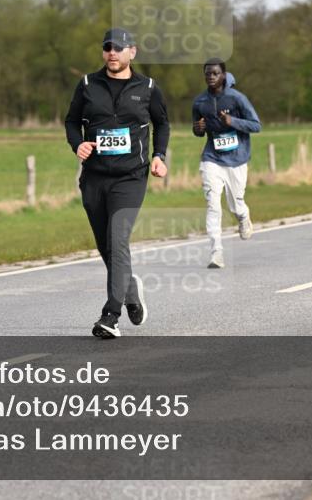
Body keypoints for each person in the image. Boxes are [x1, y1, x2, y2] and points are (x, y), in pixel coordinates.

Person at [65, 28, 170, 339]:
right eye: (108, 47)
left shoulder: (148, 88)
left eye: (119, 48)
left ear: (132, 52)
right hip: (94, 177)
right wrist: (77, 145)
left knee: (118, 239)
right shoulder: (87, 85)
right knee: (106, 246)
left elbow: (162, 122)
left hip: (130, 176)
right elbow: (71, 121)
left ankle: (110, 315)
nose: (113, 52)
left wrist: (159, 155)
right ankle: (131, 290)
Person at [192, 58, 262, 269]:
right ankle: (216, 253)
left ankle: (243, 215)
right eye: (207, 73)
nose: (210, 77)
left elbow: (256, 125)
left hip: (237, 159)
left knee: (235, 203)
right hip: (212, 158)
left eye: (214, 73)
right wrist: (199, 129)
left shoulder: (237, 99)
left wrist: (233, 122)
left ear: (223, 75)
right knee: (212, 203)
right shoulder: (199, 102)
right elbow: (197, 131)